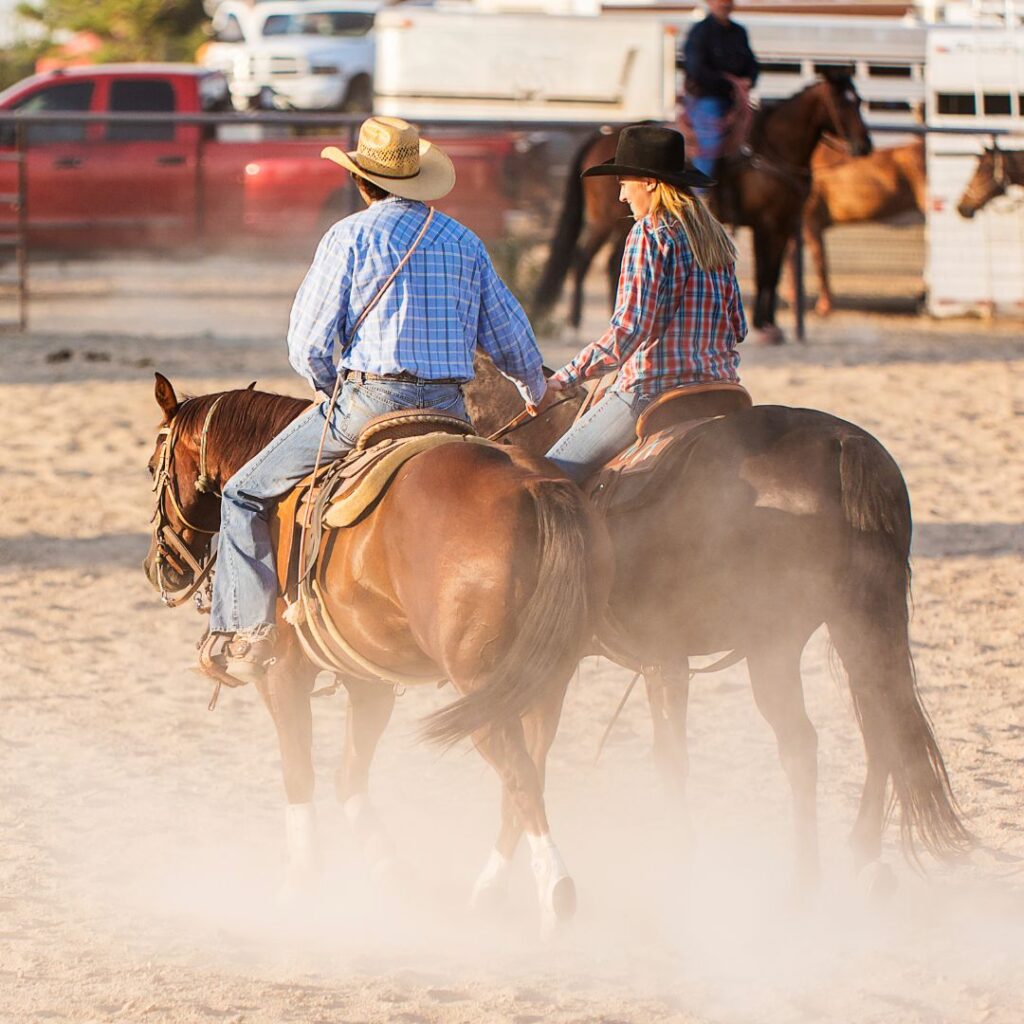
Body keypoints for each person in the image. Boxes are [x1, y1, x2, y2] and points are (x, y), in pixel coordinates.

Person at [210, 116, 547, 685]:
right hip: (448, 412)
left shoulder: (348, 237)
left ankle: (248, 632)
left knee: (242, 490)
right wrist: (534, 391)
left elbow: (308, 344)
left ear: (363, 183)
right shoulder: (464, 241)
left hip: (369, 402)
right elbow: (513, 342)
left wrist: (328, 388)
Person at [543, 124, 747, 483]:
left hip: (654, 390)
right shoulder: (717, 237)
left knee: (551, 479)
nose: (621, 196)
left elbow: (631, 327)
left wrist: (565, 377)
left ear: (650, 182)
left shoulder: (650, 232)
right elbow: (738, 327)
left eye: (624, 182)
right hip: (719, 387)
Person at [682, 0, 758, 178]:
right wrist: (730, 83)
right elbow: (696, 69)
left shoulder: (739, 32)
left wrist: (749, 79)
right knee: (710, 142)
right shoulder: (700, 32)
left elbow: (751, 63)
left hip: (735, 101)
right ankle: (701, 190)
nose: (725, 4)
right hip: (708, 98)